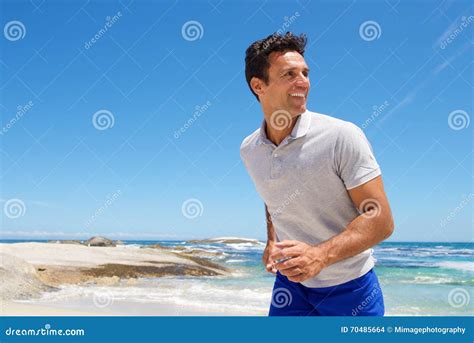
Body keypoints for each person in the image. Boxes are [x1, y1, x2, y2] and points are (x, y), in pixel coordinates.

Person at [240, 32, 394, 316]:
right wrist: (272, 239)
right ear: (258, 85)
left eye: (305, 73)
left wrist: (319, 256)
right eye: (289, 74)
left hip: (350, 288)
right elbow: (272, 195)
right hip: (290, 285)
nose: (303, 82)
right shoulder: (250, 149)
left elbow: (381, 220)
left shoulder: (342, 136)